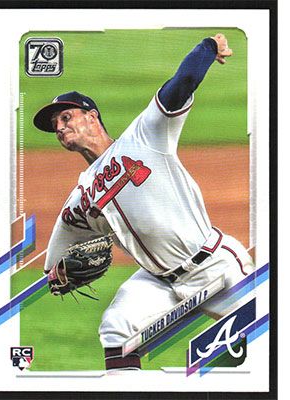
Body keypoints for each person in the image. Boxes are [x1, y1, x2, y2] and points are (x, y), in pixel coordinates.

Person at [33, 33, 254, 372]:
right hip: (157, 281)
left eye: (66, 117)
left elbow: (181, 84)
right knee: (117, 328)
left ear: (92, 116)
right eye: (54, 126)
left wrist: (208, 47)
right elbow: (54, 266)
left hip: (215, 266)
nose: (60, 128)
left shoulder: (144, 136)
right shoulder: (81, 200)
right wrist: (57, 275)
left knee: (271, 341)